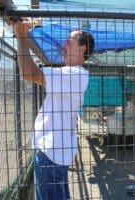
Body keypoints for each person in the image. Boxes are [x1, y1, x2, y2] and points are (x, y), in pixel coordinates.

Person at [14, 21, 94, 200]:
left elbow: (28, 73)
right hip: (55, 150)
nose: (63, 45)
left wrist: (21, 36)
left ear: (81, 49)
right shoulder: (70, 73)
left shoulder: (75, 74)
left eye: (68, 42)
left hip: (51, 151)